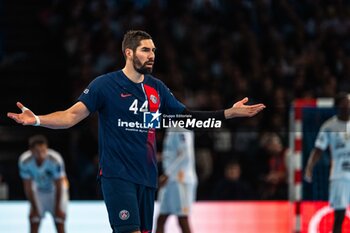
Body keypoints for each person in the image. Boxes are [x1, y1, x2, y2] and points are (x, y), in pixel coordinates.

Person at [7, 30, 265, 233]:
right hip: (117, 176)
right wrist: (38, 119)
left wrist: (228, 114)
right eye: (145, 50)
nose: (152, 55)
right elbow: (71, 116)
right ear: (128, 53)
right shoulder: (104, 85)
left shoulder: (158, 89)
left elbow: (187, 120)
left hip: (147, 178)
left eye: (153, 50)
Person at [305, 92, 350, 233]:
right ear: (339, 105)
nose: (348, 104)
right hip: (340, 177)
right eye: (345, 102)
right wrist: (309, 168)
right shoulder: (328, 126)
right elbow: (318, 150)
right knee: (339, 217)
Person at [18, 135, 69, 233]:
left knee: (59, 221)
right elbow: (28, 187)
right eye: (38, 151)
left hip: (56, 191)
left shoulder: (55, 160)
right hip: (38, 191)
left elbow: (59, 185)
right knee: (34, 220)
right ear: (31, 150)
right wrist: (34, 207)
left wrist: (58, 208)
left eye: (44, 151)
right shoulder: (24, 161)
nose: (41, 155)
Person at [156, 127, 197, 233]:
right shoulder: (171, 127)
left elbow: (185, 153)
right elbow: (173, 153)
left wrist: (167, 174)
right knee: (161, 218)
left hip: (181, 180)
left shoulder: (181, 127)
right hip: (170, 181)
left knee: (182, 219)